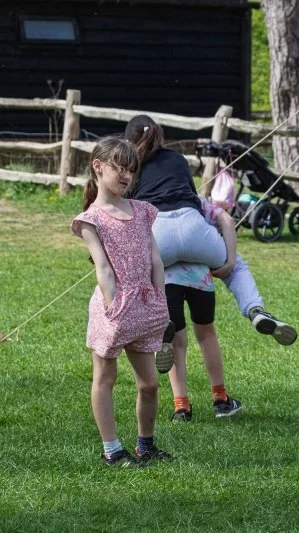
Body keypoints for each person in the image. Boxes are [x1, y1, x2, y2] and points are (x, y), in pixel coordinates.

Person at [124, 115, 296, 345]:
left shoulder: (130, 167)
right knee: (239, 268)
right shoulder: (177, 159)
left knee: (135, 274)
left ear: (128, 141)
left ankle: (159, 321)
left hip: (158, 232)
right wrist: (230, 260)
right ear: (160, 136)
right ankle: (255, 309)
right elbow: (200, 203)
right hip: (194, 225)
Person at [71, 137, 173, 467]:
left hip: (145, 306)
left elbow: (155, 260)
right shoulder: (91, 220)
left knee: (150, 384)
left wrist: (160, 300)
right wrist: (115, 306)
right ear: (98, 167)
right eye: (119, 168)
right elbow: (103, 268)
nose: (126, 175)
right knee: (106, 379)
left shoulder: (142, 211)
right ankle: (112, 449)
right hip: (112, 309)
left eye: (132, 169)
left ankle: (146, 445)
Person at [166, 197, 248, 421]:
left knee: (175, 340)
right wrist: (230, 260)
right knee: (206, 334)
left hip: (167, 278)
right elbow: (228, 221)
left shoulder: (154, 200)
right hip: (200, 278)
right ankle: (220, 399)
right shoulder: (196, 202)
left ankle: (181, 407)